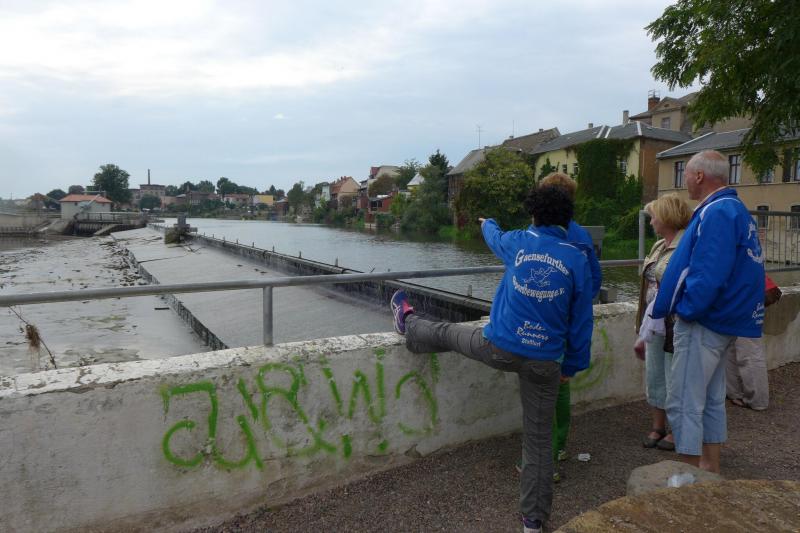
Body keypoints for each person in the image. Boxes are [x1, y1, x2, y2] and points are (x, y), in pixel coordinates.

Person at [390, 184, 593, 533]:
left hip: (500, 348)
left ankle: (407, 322)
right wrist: (571, 366)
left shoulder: (519, 242)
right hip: (546, 361)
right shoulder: (577, 258)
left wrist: (487, 222)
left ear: (534, 213)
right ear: (567, 218)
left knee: (447, 333)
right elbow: (581, 322)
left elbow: (494, 236)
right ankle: (533, 522)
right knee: (539, 442)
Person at [651, 150, 765, 473]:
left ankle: (688, 478)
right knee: (712, 398)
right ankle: (709, 468)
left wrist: (686, 311)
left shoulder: (716, 212)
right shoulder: (736, 210)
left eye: (686, 174)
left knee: (684, 401)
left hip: (704, 321)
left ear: (699, 176)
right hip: (725, 320)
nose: (685, 181)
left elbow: (708, 274)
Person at [535, 173, 602, 478]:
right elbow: (594, 278)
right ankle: (559, 445)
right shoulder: (581, 234)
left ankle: (545, 459)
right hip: (569, 320)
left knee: (544, 388)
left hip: (544, 320)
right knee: (561, 383)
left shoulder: (542, 233)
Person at [633, 194, 691, 451]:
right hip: (654, 322)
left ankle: (678, 430)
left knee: (674, 377)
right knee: (655, 375)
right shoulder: (658, 246)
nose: (651, 221)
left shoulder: (686, 245)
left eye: (654, 216)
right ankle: (658, 426)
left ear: (667, 217)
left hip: (674, 322)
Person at [726, 274, 781, 410]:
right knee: (732, 351)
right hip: (747, 303)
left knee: (749, 354)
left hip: (742, 305)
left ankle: (757, 400)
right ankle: (735, 393)